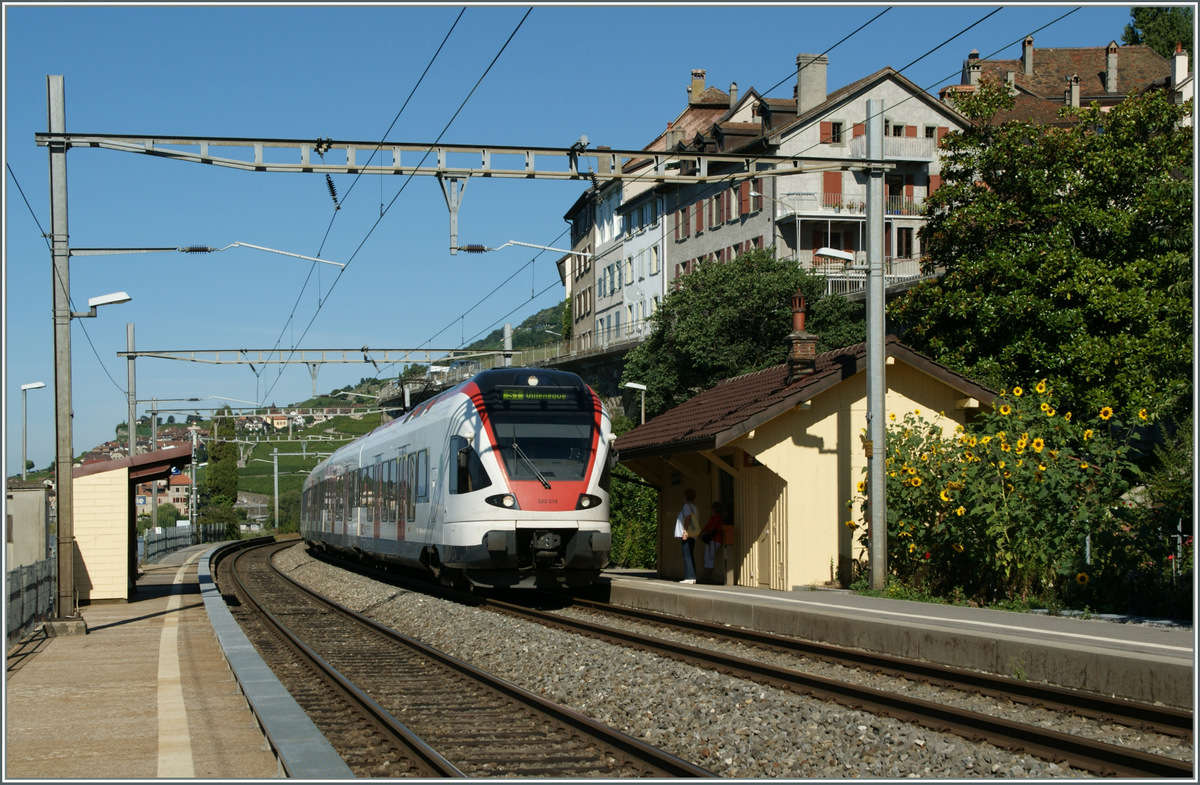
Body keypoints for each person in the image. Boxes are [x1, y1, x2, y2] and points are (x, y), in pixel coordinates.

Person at [674, 488, 699, 584]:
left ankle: (690, 576)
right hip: (693, 534)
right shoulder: (694, 507)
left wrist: (684, 531)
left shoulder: (687, 506)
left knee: (687, 554)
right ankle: (692, 576)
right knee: (690, 554)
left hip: (687, 534)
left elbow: (688, 518)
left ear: (685, 497)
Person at [700, 501, 725, 583]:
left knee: (709, 558)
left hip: (714, 540)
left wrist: (702, 532)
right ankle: (706, 576)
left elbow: (710, 527)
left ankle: (706, 576)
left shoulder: (715, 518)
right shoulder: (718, 517)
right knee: (709, 557)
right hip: (714, 540)